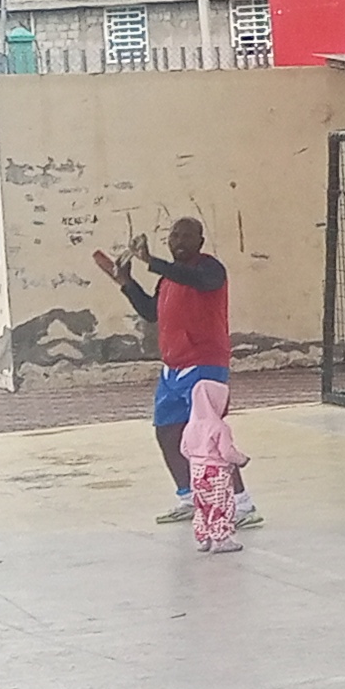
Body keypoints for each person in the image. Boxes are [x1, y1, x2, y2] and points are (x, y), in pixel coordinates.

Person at [96, 221, 257, 530]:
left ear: (200, 241)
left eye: (187, 236)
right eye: (174, 236)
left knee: (209, 436)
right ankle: (189, 496)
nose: (179, 241)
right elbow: (151, 312)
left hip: (205, 364)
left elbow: (198, 280)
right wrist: (127, 282)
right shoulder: (169, 278)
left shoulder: (210, 269)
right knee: (167, 432)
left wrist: (151, 261)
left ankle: (242, 504)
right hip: (173, 367)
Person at [181, 377, 246, 555]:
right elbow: (227, 452)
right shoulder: (219, 427)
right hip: (217, 473)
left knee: (202, 506)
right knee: (221, 505)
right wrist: (241, 459)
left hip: (197, 473)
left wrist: (197, 460)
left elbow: (184, 449)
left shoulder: (190, 426)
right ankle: (221, 539)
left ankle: (204, 538)